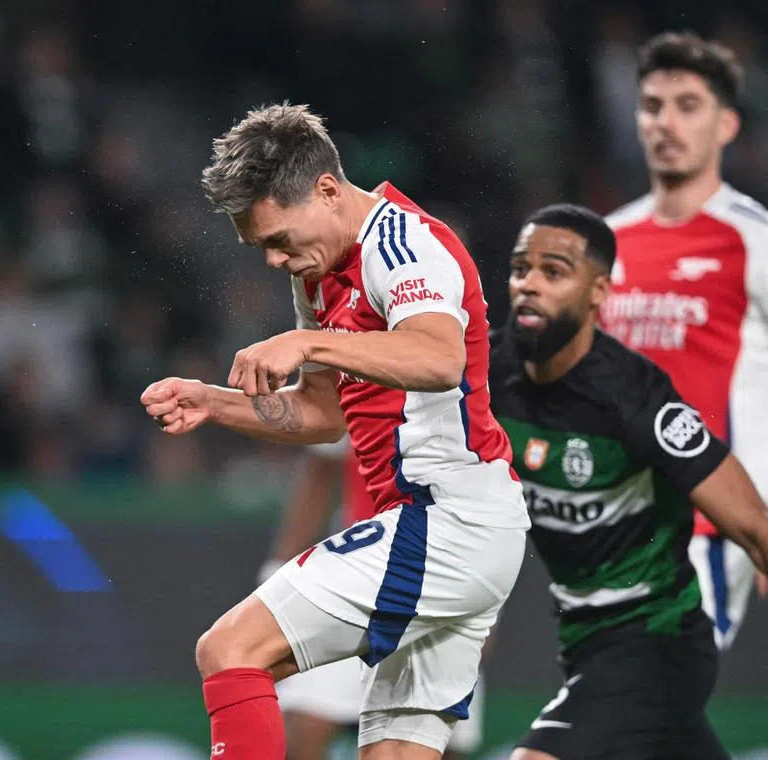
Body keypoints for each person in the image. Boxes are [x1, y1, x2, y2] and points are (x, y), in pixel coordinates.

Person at [140, 103, 528, 760]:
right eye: (260, 247)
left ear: (326, 190)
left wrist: (306, 340)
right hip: (453, 532)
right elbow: (325, 415)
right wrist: (216, 403)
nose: (274, 260)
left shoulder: (404, 245)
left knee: (230, 651)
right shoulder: (322, 272)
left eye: (280, 240)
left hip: (447, 522)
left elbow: (439, 359)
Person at [490, 203, 768, 760]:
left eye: (554, 271)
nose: (529, 285)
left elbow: (754, 525)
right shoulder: (489, 372)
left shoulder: (637, 398)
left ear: (598, 292)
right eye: (521, 268)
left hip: (656, 641)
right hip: (583, 642)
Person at [601, 31, 768, 651]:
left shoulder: (752, 240)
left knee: (635, 703)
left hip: (706, 526)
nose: (665, 122)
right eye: (652, 105)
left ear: (726, 125)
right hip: (606, 526)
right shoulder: (606, 242)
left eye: (687, 105)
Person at [261, 438, 487, 760]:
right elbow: (319, 472)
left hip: (442, 584)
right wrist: (275, 575)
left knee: (438, 743)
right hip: (355, 579)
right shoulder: (355, 389)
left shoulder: (469, 404)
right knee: (303, 724)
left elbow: (492, 509)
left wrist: (486, 610)